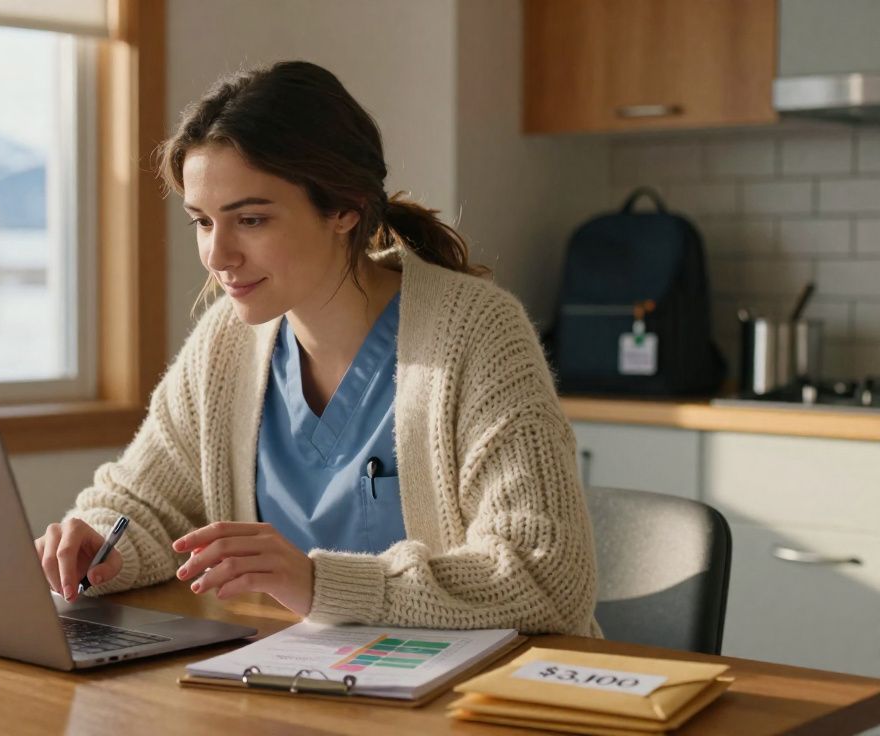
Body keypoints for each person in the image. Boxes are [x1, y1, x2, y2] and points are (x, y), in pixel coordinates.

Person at [34, 60, 599, 636]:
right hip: (292, 688)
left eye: (250, 219)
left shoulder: (478, 333)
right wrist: (103, 542)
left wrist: (316, 584)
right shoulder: (224, 345)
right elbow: (145, 506)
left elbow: (544, 579)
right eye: (202, 222)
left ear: (345, 209)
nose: (217, 255)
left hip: (464, 702)